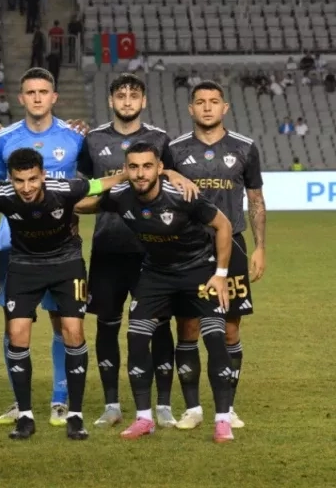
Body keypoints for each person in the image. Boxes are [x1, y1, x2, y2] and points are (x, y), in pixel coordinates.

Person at [0, 148, 127, 440]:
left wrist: (126, 175)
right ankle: (25, 416)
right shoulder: (0, 192)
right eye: (19, 180)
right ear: (10, 179)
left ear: (43, 175)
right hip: (24, 266)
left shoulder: (65, 189)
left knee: (73, 332)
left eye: (33, 179)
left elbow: (99, 184)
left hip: (66, 264)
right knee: (17, 334)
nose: (26, 187)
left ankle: (75, 416)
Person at [74, 141, 236, 443]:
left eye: (147, 166)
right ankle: (144, 419)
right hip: (155, 273)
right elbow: (82, 204)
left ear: (160, 168)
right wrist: (65, 197)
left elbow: (223, 225)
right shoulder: (121, 195)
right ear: (126, 169)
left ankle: (223, 420)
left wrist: (221, 274)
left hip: (198, 270)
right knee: (136, 337)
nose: (140, 173)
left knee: (215, 339)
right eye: (133, 167)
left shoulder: (182, 194)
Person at [79, 73, 198, 428]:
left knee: (159, 326)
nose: (127, 101)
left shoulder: (160, 139)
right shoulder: (93, 139)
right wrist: (116, 180)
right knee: (107, 325)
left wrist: (175, 175)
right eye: (121, 95)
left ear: (143, 101)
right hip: (109, 247)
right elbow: (84, 189)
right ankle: (112, 405)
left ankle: (163, 405)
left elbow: (173, 180)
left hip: (153, 252)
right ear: (111, 100)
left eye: (134, 95)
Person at [0, 67, 89, 426]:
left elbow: (88, 185)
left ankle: (60, 398)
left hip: (60, 247)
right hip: (15, 246)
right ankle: (21, 403)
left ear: (54, 97)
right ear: (21, 98)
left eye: (43, 92)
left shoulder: (75, 137)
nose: (36, 98)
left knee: (63, 323)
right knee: (13, 324)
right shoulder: (3, 139)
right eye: (30, 92)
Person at [168, 80, 266, 430]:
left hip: (233, 245)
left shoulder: (245, 148)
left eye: (214, 101)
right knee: (188, 326)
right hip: (188, 247)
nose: (207, 107)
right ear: (191, 109)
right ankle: (192, 408)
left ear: (225, 108)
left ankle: (228, 407)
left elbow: (256, 200)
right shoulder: (174, 150)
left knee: (230, 329)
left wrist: (260, 247)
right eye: (200, 102)